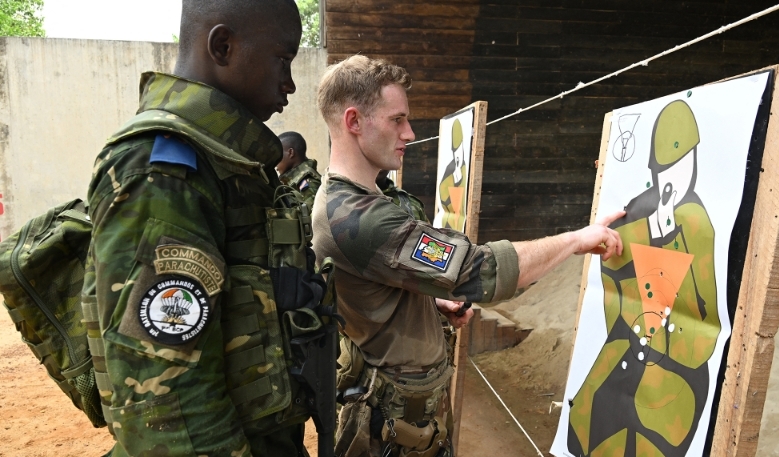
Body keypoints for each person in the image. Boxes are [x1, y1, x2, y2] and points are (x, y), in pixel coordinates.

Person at [311, 55, 625, 457]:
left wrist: (433, 303)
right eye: (397, 119)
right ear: (354, 121)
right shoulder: (354, 216)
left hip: (407, 414)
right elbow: (481, 271)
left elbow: (383, 286)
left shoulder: (363, 199)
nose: (408, 132)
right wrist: (578, 239)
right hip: (390, 428)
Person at [82, 1, 323, 455]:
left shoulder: (229, 165)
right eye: (283, 59)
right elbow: (168, 407)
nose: (289, 84)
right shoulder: (165, 169)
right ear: (223, 45)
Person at [567, 100, 719, 456]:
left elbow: (706, 326)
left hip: (675, 366)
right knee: (585, 422)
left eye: (680, 168)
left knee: (648, 437)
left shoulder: (698, 222)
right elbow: (613, 283)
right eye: (664, 171)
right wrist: (653, 227)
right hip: (630, 342)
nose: (671, 182)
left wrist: (668, 235)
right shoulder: (642, 209)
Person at [276, 131, 322, 210]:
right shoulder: (292, 180)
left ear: (290, 153)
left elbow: (311, 219)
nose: (275, 161)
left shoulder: (309, 182)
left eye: (278, 154)